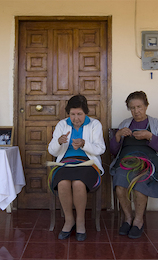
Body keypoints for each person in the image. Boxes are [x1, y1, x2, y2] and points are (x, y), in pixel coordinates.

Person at [110, 91, 158, 239]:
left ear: (146, 106)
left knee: (139, 183)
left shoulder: (156, 123)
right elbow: (113, 151)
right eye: (132, 108)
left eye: (139, 107)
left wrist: (150, 136)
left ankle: (138, 221)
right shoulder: (125, 124)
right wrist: (118, 136)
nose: (136, 111)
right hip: (126, 162)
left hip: (149, 163)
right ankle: (128, 218)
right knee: (119, 183)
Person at [48, 94, 106, 241]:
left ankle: (80, 221)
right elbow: (52, 150)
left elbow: (100, 149)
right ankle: (69, 220)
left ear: (85, 112)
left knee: (79, 183)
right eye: (72, 114)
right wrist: (59, 142)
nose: (76, 118)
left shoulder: (94, 124)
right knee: (63, 183)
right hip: (65, 163)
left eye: (79, 114)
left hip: (88, 163)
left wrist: (84, 144)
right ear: (69, 113)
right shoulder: (62, 125)